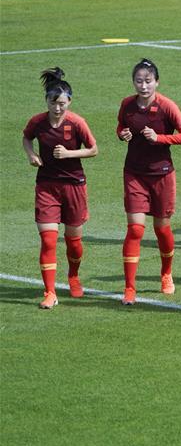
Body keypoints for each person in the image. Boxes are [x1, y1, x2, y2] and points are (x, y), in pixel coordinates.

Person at [117, 59, 181, 305]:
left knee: (161, 229)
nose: (143, 86)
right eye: (139, 81)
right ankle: (130, 288)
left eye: (148, 81)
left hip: (162, 174)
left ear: (156, 82)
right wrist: (122, 134)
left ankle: (166, 273)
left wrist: (159, 138)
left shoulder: (167, 106)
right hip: (135, 173)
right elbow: (121, 126)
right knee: (136, 229)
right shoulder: (127, 105)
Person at [23, 68, 98, 309]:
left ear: (69, 102)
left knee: (73, 241)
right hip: (46, 186)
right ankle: (50, 292)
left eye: (62, 104)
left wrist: (69, 154)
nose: (57, 108)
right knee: (48, 240)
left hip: (74, 186)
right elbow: (26, 138)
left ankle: (73, 276)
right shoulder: (37, 122)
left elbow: (93, 149)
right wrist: (31, 154)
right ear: (46, 101)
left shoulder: (77, 123)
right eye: (53, 103)